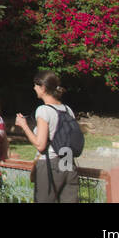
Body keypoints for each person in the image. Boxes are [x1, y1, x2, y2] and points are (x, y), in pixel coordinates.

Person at [16, 70, 81, 203]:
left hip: (50, 164)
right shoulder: (68, 109)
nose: (34, 88)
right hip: (69, 163)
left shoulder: (43, 110)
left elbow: (40, 145)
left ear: (43, 88)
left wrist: (24, 126)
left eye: (36, 85)